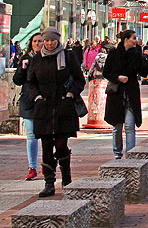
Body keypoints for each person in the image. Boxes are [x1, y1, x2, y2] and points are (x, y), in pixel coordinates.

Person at [27, 27, 85, 197]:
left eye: (52, 40)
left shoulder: (68, 56)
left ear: (58, 40)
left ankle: (66, 179)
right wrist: (36, 97)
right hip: (43, 108)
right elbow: (31, 82)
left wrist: (70, 93)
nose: (49, 43)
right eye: (46, 40)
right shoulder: (37, 59)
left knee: (61, 144)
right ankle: (49, 182)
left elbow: (79, 79)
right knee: (46, 146)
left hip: (63, 107)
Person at [103, 29, 148, 160]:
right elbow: (106, 73)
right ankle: (117, 154)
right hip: (117, 94)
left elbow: (144, 72)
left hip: (131, 93)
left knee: (130, 125)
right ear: (126, 40)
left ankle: (131, 154)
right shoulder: (114, 54)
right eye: (134, 38)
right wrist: (118, 77)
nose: (136, 41)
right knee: (117, 126)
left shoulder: (136, 54)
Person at [13, 32, 42, 181]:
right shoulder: (26, 58)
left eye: (40, 41)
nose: (37, 44)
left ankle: (47, 165)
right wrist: (22, 69)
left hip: (44, 101)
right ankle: (32, 167)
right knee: (31, 136)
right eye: (35, 41)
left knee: (46, 135)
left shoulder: (48, 58)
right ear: (31, 43)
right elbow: (17, 80)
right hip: (29, 101)